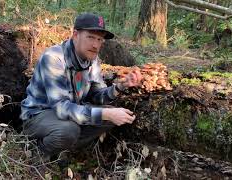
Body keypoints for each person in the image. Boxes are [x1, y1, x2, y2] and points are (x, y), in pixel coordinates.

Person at [20, 13, 142, 160]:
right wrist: (106, 114)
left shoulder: (92, 60)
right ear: (75, 35)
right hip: (38, 115)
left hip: (68, 113)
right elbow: (61, 108)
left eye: (99, 39)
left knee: (109, 115)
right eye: (90, 37)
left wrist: (120, 87)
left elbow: (96, 96)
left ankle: (63, 150)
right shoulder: (54, 58)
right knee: (70, 130)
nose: (96, 45)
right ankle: (37, 155)